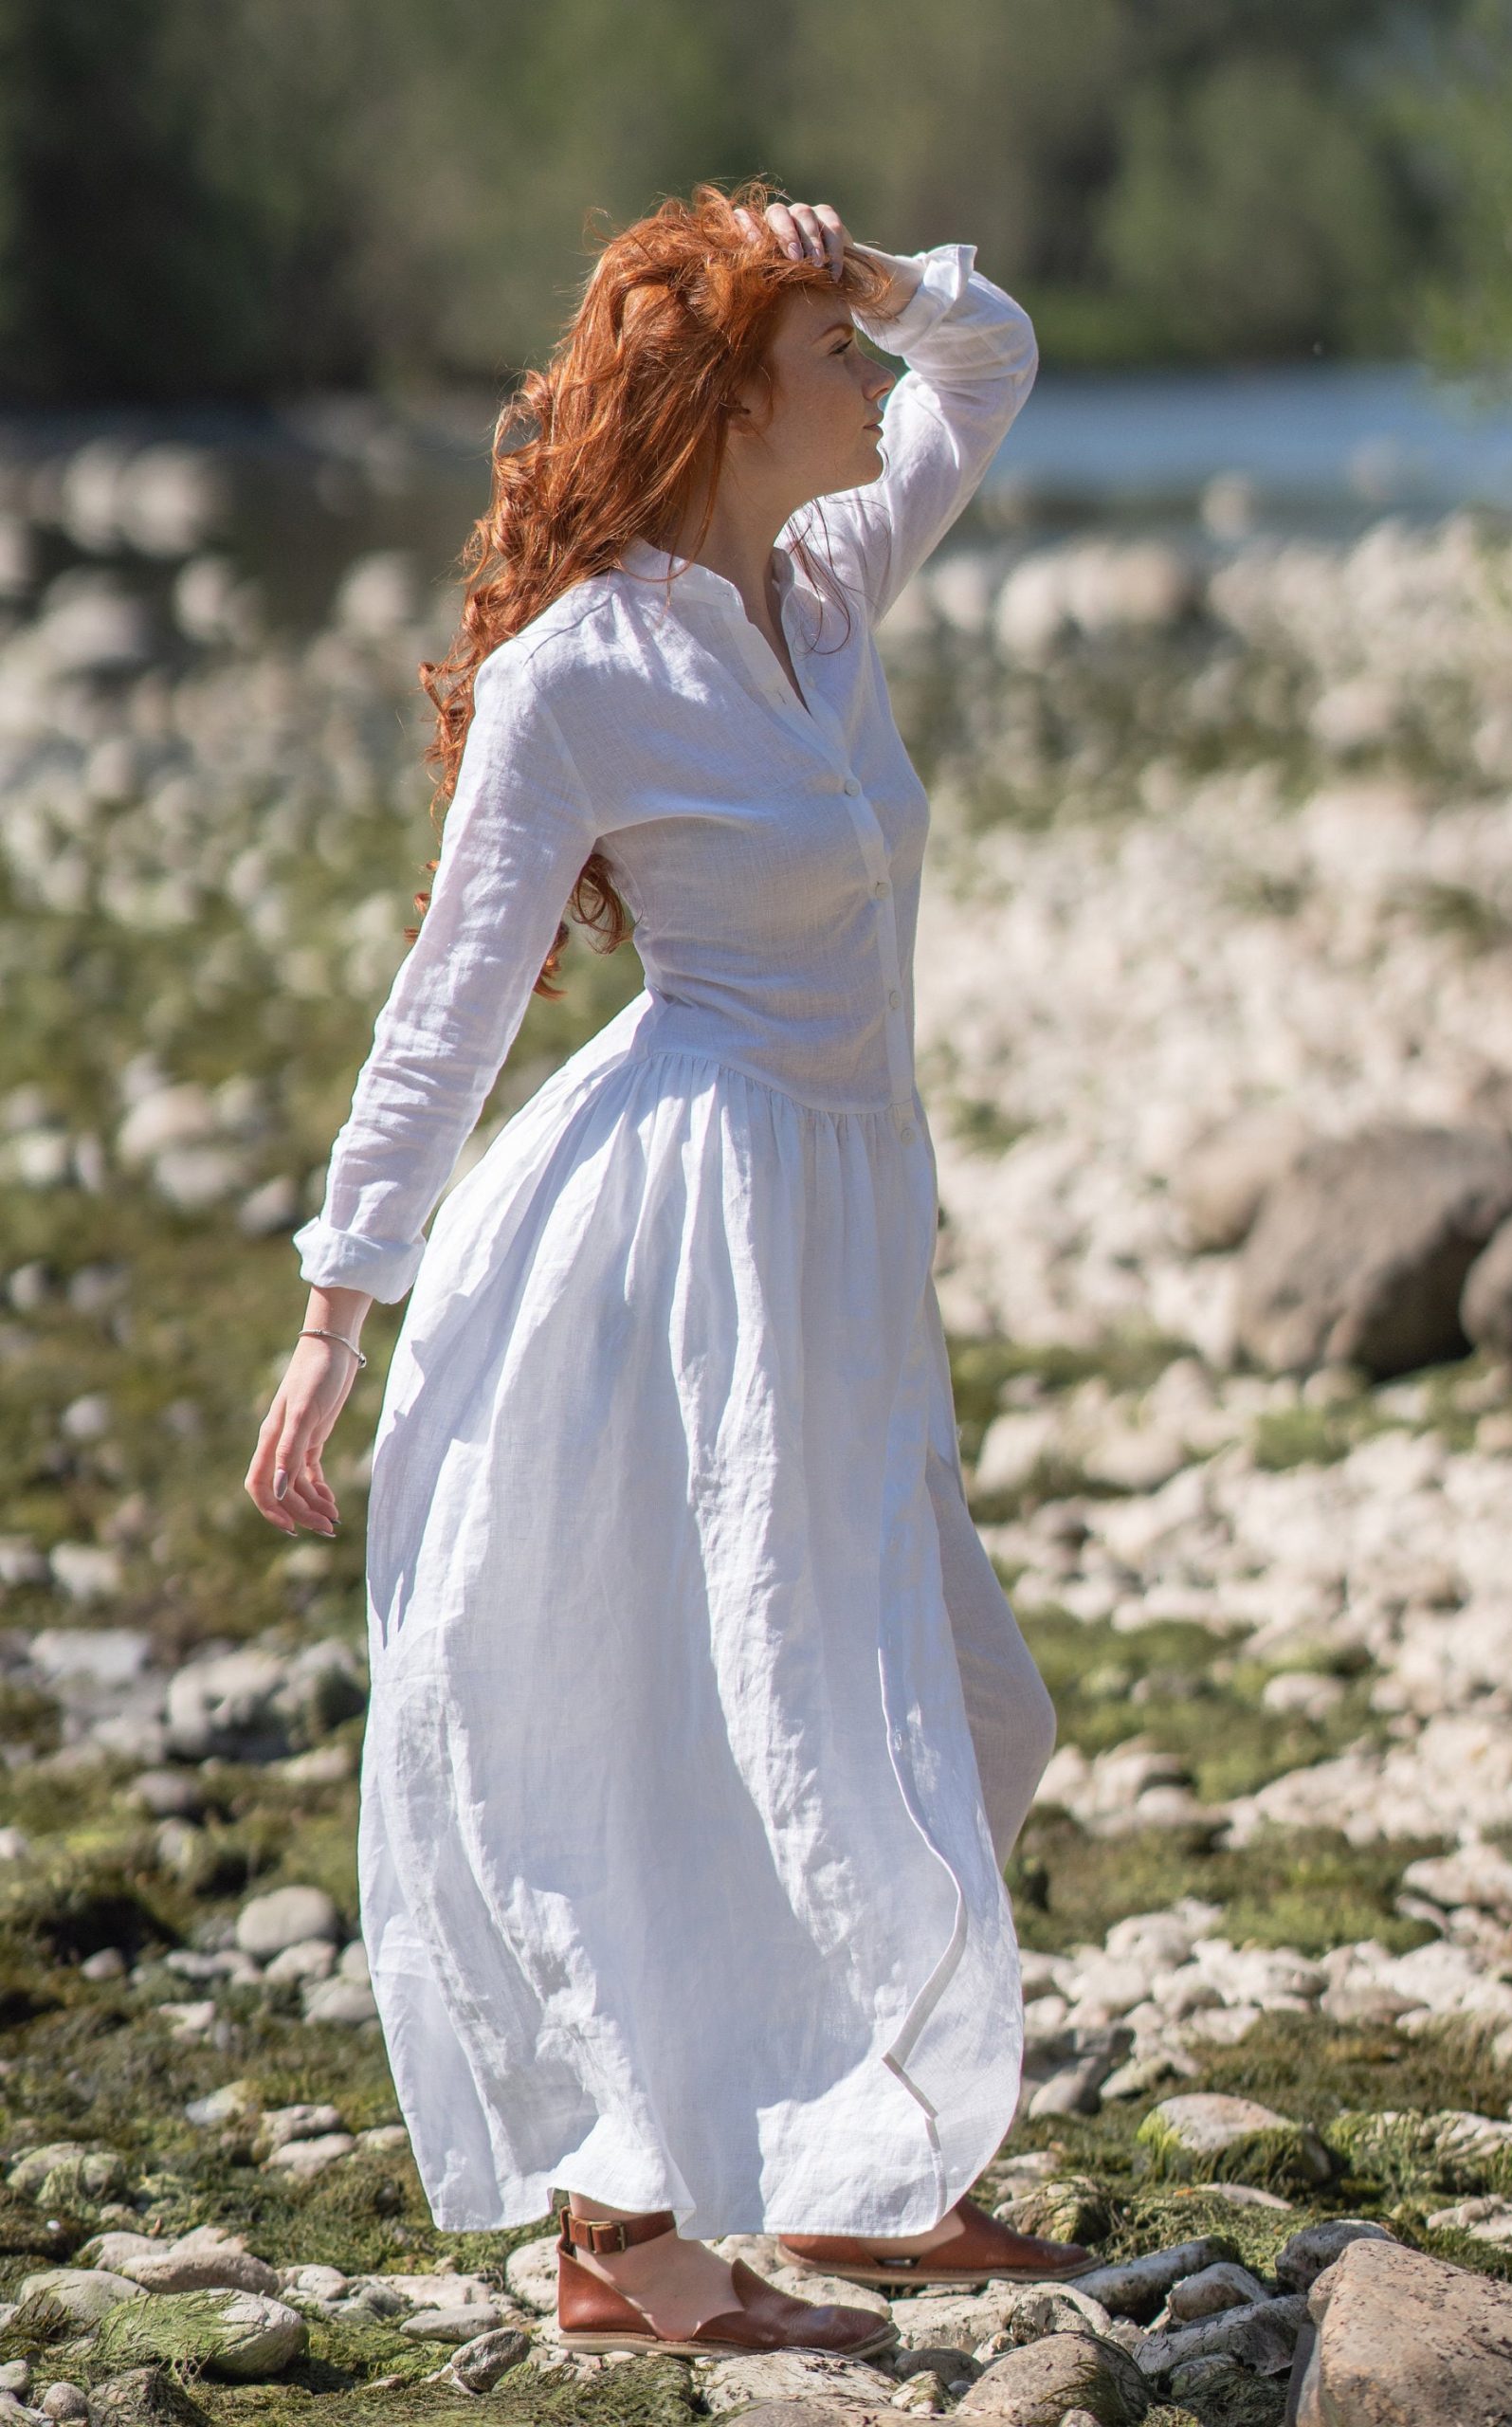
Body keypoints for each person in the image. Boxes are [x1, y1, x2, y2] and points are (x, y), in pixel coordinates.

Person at [246, 180, 1093, 2361]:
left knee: (963, 1709)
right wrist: (340, 1303)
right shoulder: (580, 674)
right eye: (824, 354)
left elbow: (986, 363)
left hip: (841, 1224)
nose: (864, 380)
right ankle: (624, 2233)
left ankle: (846, 2159)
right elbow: (451, 998)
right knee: (714, 1707)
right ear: (722, 402)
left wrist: (874, 276)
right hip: (690, 1236)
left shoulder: (824, 575)